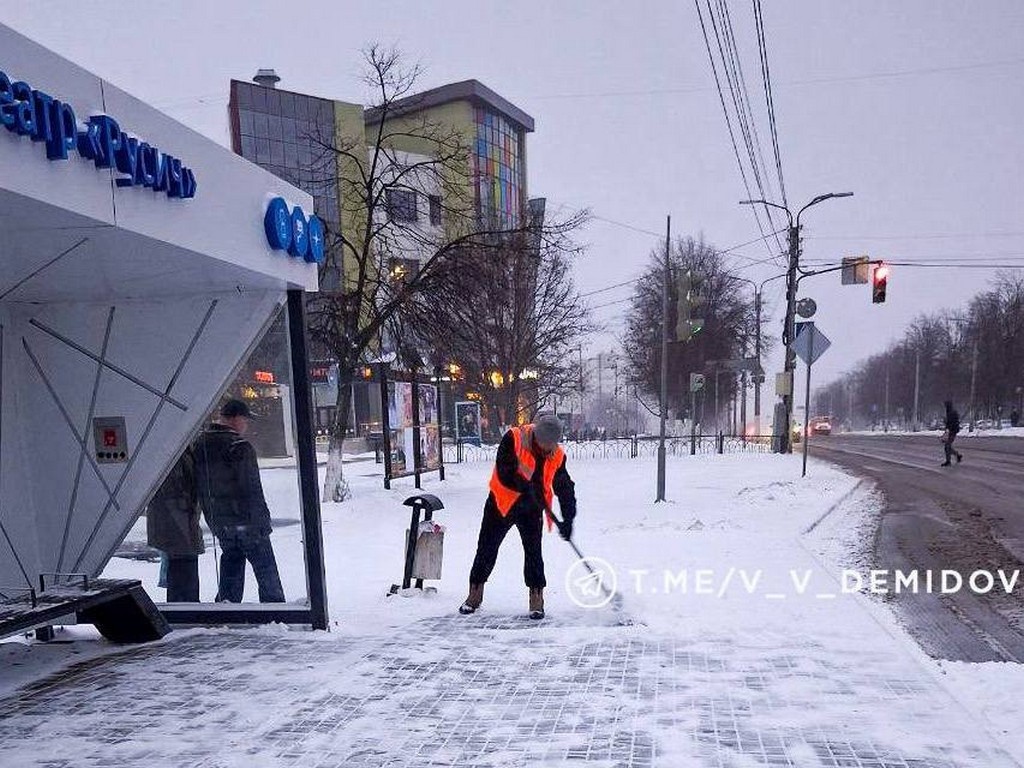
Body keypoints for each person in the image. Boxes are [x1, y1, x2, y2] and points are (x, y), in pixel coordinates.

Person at [460, 414, 577, 620]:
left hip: (531, 510)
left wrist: (568, 519)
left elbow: (565, 487)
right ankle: (474, 594)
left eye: (552, 444)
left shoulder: (557, 455)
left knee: (534, 552)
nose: (547, 448)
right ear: (536, 436)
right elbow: (504, 471)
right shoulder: (514, 438)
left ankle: (536, 598)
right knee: (487, 547)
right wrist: (527, 487)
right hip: (501, 504)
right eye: (544, 443)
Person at [195, 399, 285, 602]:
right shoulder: (239, 447)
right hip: (248, 523)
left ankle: (227, 609)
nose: (246, 425)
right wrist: (262, 522)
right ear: (235, 418)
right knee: (266, 571)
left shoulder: (201, 444)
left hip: (221, 522)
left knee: (231, 567)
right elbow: (251, 489)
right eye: (245, 419)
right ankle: (276, 612)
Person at [146, 446, 203, 601]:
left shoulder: (178, 451)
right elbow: (175, 492)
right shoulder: (174, 453)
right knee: (182, 566)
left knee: (181, 566)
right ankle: (186, 612)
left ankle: (186, 609)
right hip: (178, 525)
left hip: (179, 524)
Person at [941, 400, 963, 466]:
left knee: (947, 446)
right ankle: (957, 455)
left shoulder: (951, 413)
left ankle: (948, 461)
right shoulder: (951, 412)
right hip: (951, 431)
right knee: (948, 447)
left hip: (952, 431)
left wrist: (947, 423)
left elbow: (951, 423)